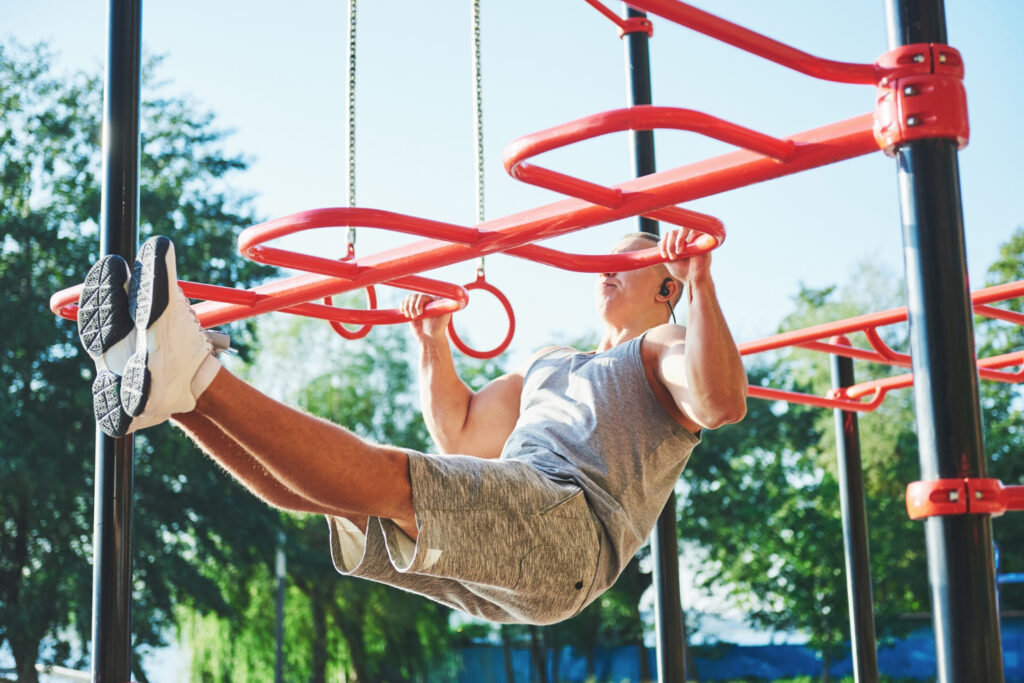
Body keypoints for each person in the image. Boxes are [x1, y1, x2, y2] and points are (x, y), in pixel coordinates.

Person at [76, 228, 747, 625]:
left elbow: (721, 404)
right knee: (340, 499)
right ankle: (177, 393)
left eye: (633, 256)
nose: (608, 262)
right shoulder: (550, 361)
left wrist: (706, 282)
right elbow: (458, 435)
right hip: (531, 521)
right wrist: (433, 341)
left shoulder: (663, 347)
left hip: (574, 525)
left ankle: (186, 367)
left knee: (389, 480)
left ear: (666, 286)